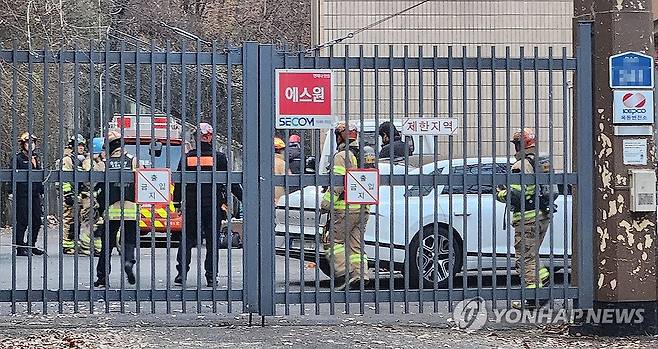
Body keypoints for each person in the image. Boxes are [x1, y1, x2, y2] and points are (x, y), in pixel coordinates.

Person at [174, 123, 243, 287]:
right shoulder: (219, 158)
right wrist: (244, 198)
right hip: (213, 205)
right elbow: (230, 182)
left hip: (192, 204)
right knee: (212, 242)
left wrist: (177, 202)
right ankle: (211, 276)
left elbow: (179, 181)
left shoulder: (188, 157)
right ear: (210, 137)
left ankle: (181, 274)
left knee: (187, 239)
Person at [495, 128, 552, 308]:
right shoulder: (539, 162)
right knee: (531, 255)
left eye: (516, 144)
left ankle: (533, 298)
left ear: (521, 145)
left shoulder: (520, 165)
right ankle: (544, 281)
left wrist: (500, 193)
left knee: (524, 258)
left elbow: (517, 194)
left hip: (527, 219)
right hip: (542, 216)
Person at [321, 121, 370, 290]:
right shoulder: (366, 154)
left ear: (340, 136)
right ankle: (361, 275)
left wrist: (326, 203)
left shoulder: (341, 156)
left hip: (345, 207)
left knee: (333, 241)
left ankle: (344, 275)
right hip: (364, 207)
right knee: (356, 243)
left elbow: (338, 184)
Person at [93, 131, 140, 287]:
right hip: (131, 208)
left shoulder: (104, 164)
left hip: (111, 210)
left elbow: (98, 187)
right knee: (129, 241)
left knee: (107, 244)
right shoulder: (133, 161)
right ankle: (128, 261)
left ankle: (102, 277)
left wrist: (99, 207)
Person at [58, 134, 93, 255]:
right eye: (79, 145)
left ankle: (82, 244)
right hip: (73, 194)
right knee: (71, 220)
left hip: (85, 194)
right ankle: (68, 245)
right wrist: (67, 194)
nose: (81, 148)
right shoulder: (68, 160)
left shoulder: (87, 159)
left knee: (88, 219)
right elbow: (65, 178)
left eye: (82, 145)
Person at [14, 132, 44, 256]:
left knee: (37, 221)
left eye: (32, 142)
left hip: (35, 195)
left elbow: (39, 175)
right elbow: (13, 176)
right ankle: (20, 248)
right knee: (22, 221)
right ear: (23, 144)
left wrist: (40, 190)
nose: (30, 145)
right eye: (27, 143)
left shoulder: (35, 158)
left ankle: (31, 245)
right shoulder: (18, 158)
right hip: (23, 195)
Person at [79, 137, 106, 256]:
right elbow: (92, 180)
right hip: (89, 197)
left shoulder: (97, 161)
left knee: (96, 222)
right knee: (89, 221)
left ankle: (96, 247)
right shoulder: (89, 162)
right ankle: (85, 246)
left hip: (95, 197)